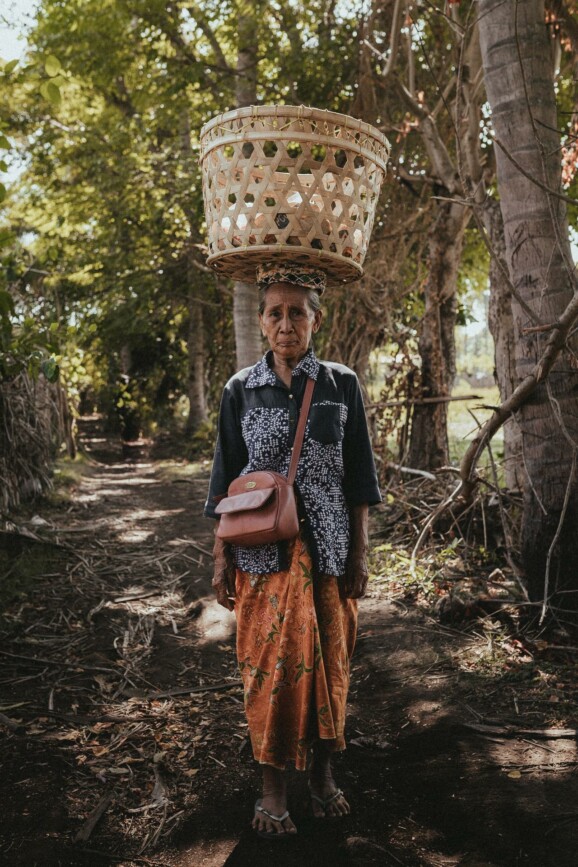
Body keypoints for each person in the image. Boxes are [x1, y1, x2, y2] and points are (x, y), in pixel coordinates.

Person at [204, 263, 381, 839]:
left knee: (332, 665)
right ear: (261, 321)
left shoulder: (340, 384)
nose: (286, 324)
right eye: (275, 313)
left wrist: (359, 555)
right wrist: (219, 557)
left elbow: (359, 480)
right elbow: (224, 483)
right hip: (263, 557)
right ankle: (273, 789)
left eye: (297, 312)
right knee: (267, 673)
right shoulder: (240, 389)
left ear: (316, 318)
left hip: (330, 554)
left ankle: (323, 779)